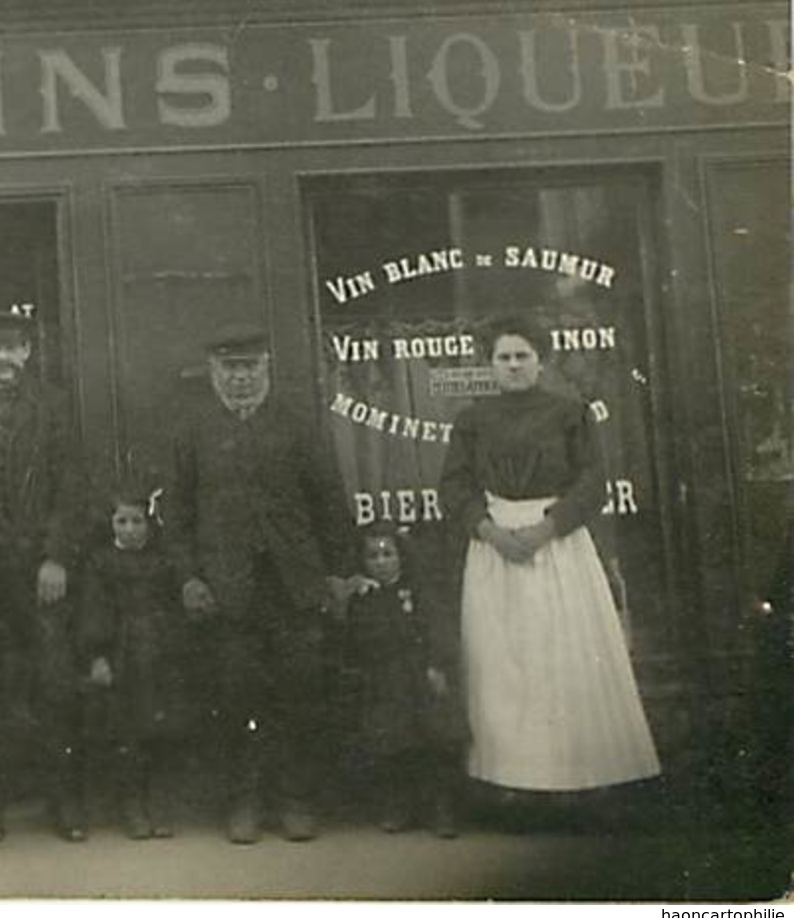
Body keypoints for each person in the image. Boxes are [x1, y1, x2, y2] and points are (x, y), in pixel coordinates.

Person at [439, 316, 660, 802]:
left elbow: (592, 482)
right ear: (490, 364)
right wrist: (490, 531)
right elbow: (453, 487)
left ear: (540, 360)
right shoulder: (472, 421)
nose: (513, 365)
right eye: (503, 357)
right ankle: (510, 778)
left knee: (561, 657)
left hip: (556, 545)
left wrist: (546, 528)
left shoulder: (570, 412)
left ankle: (571, 778)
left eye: (522, 356)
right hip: (496, 549)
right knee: (504, 662)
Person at [164, 324, 355, 843]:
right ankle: (243, 803)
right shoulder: (193, 430)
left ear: (267, 368)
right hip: (228, 591)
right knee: (236, 697)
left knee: (300, 693)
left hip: (294, 587)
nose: (241, 379)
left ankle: (295, 800)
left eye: (250, 367)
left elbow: (331, 504)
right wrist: (188, 578)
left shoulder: (297, 424)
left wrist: (337, 574)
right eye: (230, 369)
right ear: (213, 373)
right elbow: (176, 516)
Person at [0, 308, 87, 841]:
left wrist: (55, 556)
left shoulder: (54, 408)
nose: (3, 358)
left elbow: (72, 486)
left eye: (13, 347)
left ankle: (64, 800)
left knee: (54, 681)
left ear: (27, 352)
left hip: (40, 571)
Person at [77, 478, 192, 840]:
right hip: (122, 657)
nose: (129, 530)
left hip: (159, 656)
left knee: (162, 732)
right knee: (127, 734)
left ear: (149, 524)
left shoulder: (163, 562)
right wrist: (98, 656)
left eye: (137, 521)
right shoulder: (100, 563)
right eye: (121, 522)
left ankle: (159, 803)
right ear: (110, 524)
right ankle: (131, 804)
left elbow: (176, 608)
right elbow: (93, 613)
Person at [333, 519, 464, 838]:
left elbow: (439, 630)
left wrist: (437, 664)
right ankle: (398, 805)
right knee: (391, 744)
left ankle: (440, 807)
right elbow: (355, 643)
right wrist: (355, 599)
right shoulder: (365, 598)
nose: (380, 562)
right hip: (385, 682)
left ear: (401, 556)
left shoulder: (419, 591)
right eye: (373, 556)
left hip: (422, 678)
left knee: (434, 740)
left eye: (387, 554)